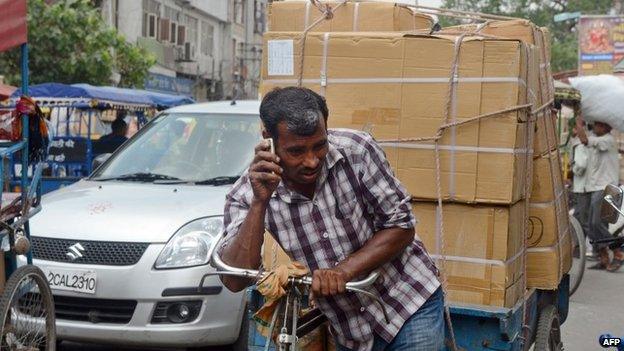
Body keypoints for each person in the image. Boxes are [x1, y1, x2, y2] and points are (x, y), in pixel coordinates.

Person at [220, 87, 444, 351]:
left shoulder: (357, 151)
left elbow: (401, 226)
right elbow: (235, 279)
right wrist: (260, 202)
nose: (312, 160)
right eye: (296, 151)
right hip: (349, 327)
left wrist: (342, 271)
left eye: (320, 145)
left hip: (407, 301)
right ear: (268, 140)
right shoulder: (247, 193)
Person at [575, 117, 623, 271]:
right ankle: (604, 258)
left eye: (597, 124)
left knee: (596, 224)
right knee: (592, 225)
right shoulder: (599, 139)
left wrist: (578, 120)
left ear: (604, 127)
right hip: (596, 187)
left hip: (606, 187)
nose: (594, 127)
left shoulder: (607, 140)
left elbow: (583, 139)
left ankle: (618, 252)